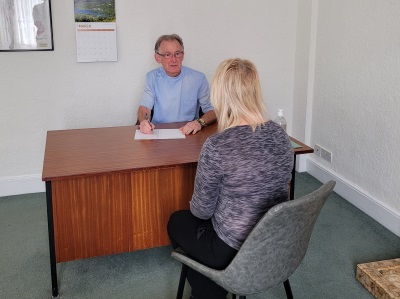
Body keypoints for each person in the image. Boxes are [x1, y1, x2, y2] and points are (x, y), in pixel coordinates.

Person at [167, 58, 294, 299]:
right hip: (273, 239)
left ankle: (208, 291)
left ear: (221, 95)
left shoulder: (217, 145)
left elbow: (201, 212)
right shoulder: (281, 135)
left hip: (231, 246)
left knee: (177, 221)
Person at [137, 34, 216, 135]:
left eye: (177, 53)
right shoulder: (152, 77)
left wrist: (199, 123)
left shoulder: (198, 78)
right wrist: (143, 122)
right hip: (158, 132)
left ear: (182, 55)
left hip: (188, 132)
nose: (174, 59)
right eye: (168, 55)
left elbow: (212, 111)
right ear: (158, 58)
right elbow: (145, 107)